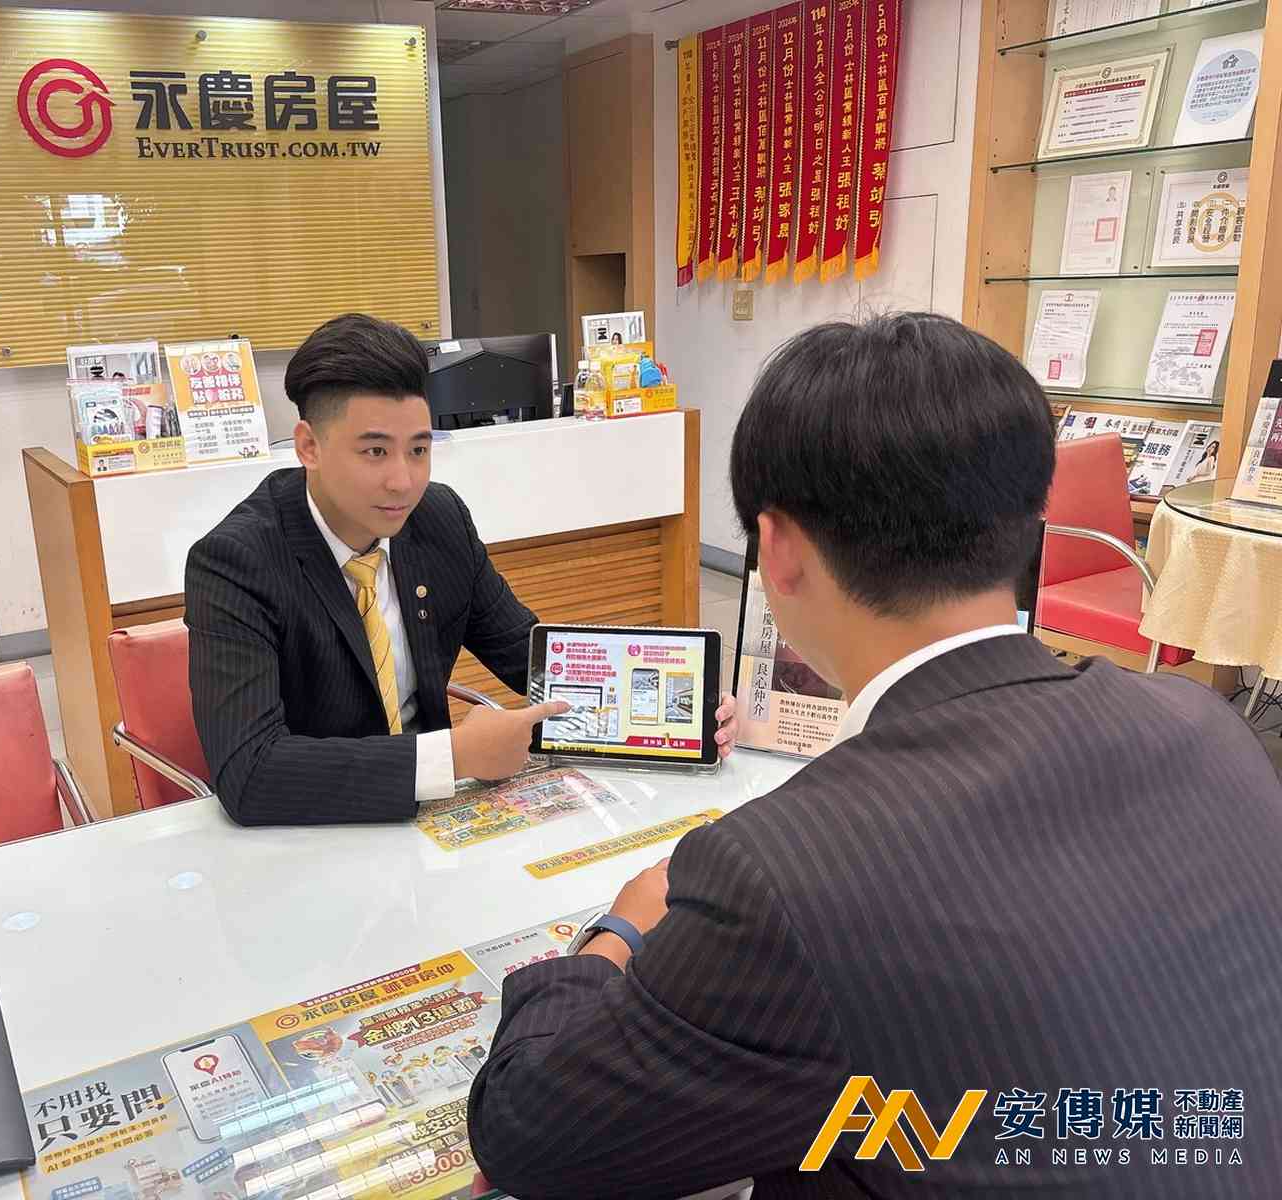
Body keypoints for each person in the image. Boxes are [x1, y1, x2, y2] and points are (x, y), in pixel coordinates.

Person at [466, 312, 1282, 1198]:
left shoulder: (783, 875)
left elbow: (527, 1131)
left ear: (777, 550)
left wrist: (619, 930)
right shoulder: (1210, 729)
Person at [185, 313, 738, 825]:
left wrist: (682, 709)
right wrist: (451, 757)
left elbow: (531, 656)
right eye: (375, 452)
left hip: (430, 827)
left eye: (418, 450)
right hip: (308, 832)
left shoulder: (438, 519)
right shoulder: (237, 561)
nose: (403, 481)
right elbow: (250, 773)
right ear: (309, 446)